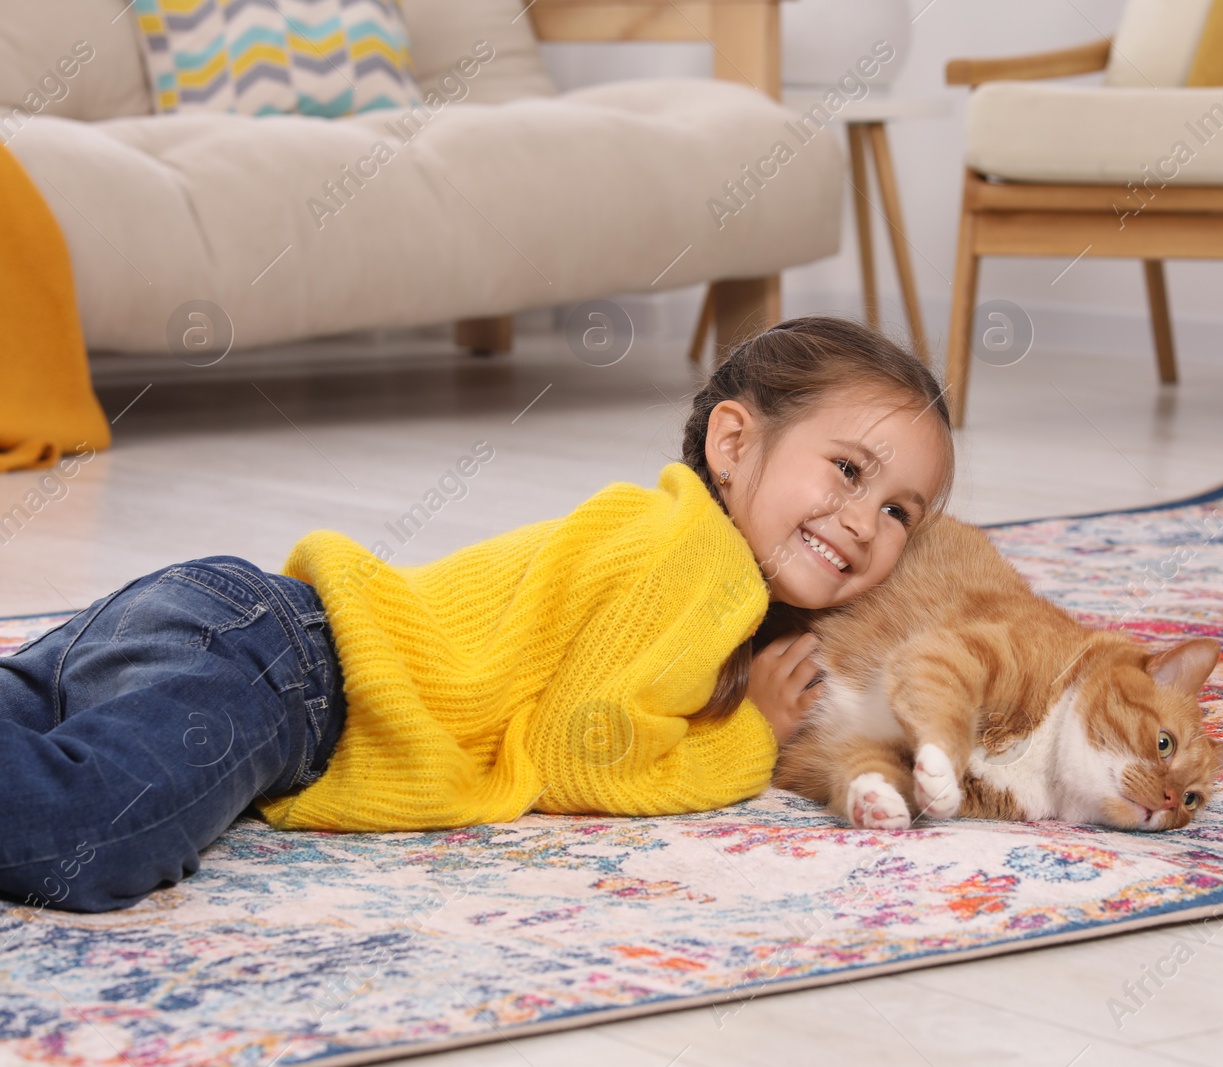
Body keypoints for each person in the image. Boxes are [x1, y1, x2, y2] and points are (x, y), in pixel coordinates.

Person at [0, 316, 956, 913]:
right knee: (97, 836)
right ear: (735, 443)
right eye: (846, 469)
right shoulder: (693, 561)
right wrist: (746, 740)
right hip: (289, 671)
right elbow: (583, 748)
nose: (861, 521)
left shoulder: (695, 560)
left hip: (227, 622)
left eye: (899, 511)